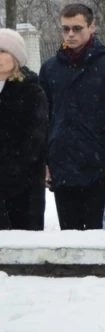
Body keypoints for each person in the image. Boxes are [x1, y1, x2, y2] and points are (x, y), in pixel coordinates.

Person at [39, 4, 105, 230]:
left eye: (77, 28)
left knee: (96, 238)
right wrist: (44, 161)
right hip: (62, 165)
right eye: (66, 29)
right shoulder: (50, 68)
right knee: (69, 236)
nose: (71, 34)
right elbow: (42, 119)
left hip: (97, 166)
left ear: (92, 27)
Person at [0, 30, 48, 230]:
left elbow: (34, 142)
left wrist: (9, 175)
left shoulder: (31, 92)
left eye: (3, 51)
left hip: (22, 189)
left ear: (16, 58)